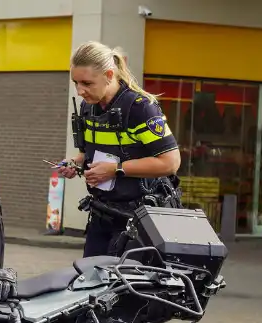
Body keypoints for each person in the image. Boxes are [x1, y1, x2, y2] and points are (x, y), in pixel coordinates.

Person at [57, 41, 182, 258]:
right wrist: (76, 162)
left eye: (87, 83)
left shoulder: (140, 108)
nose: (80, 91)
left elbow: (170, 163)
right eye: (76, 82)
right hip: (102, 215)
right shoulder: (89, 107)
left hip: (139, 221)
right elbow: (90, 152)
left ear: (108, 74)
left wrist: (115, 169)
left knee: (125, 289)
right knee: (90, 282)